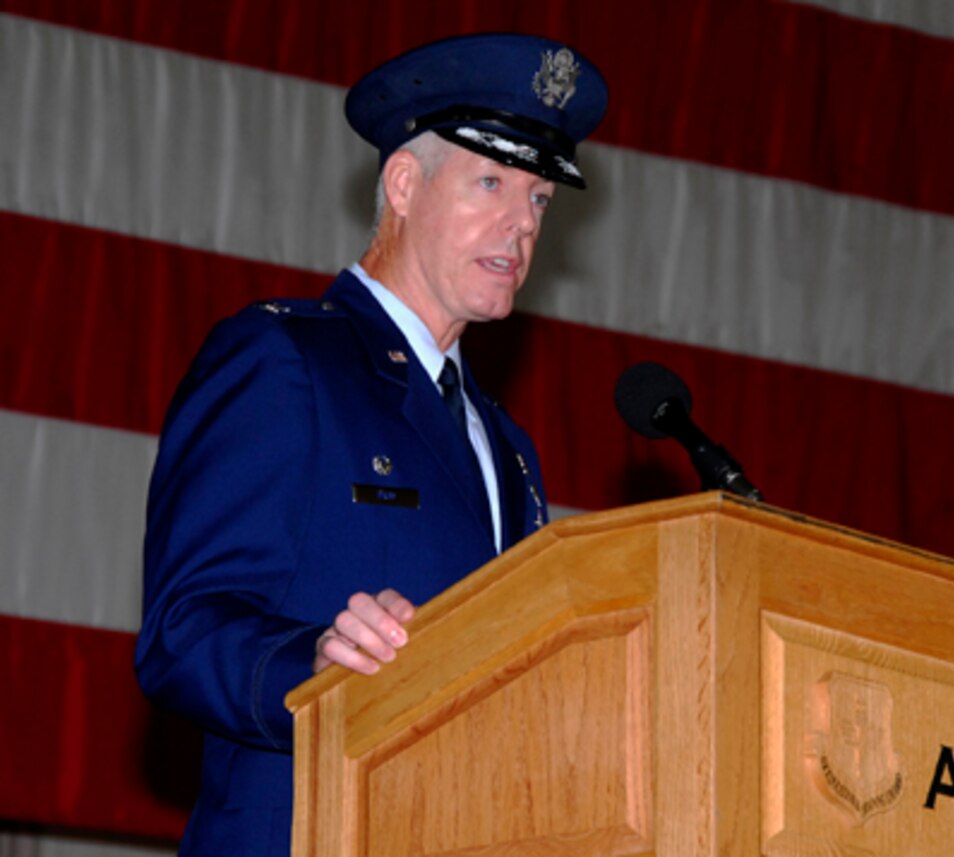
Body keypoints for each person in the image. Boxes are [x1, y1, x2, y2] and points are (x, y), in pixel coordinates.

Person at [135, 33, 607, 856]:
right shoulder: (286, 361)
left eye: (538, 199)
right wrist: (312, 662)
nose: (521, 224)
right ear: (403, 184)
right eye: (491, 183)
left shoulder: (507, 448)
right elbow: (182, 632)